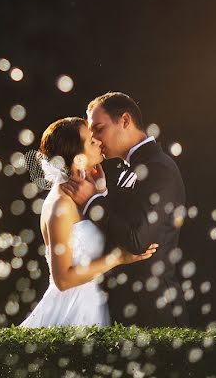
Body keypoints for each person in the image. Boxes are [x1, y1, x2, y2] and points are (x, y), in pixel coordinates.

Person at [60, 92, 188, 326]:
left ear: (125, 120)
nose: (96, 140)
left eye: (99, 129)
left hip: (154, 314)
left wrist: (92, 201)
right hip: (124, 312)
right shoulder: (125, 171)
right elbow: (118, 226)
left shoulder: (160, 169)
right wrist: (102, 193)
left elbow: (137, 242)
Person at [21, 117, 157, 327]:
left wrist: (100, 193)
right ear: (77, 157)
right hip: (72, 309)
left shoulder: (82, 193)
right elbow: (63, 280)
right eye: (91, 141)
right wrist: (118, 258)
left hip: (91, 301)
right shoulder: (61, 205)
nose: (99, 142)